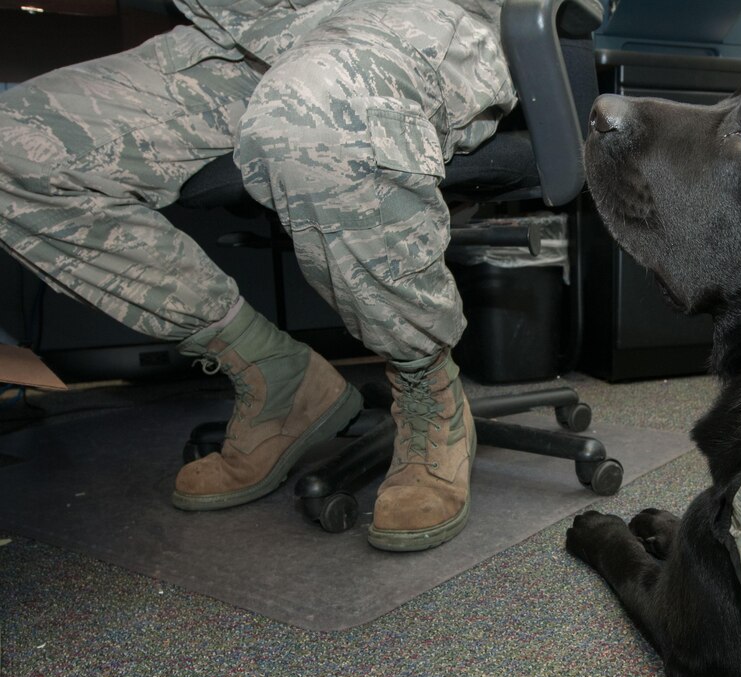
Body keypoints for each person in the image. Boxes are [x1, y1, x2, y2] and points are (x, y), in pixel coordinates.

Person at [0, 0, 515, 552]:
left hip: (400, 19)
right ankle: (271, 372)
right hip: (244, 31)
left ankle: (426, 386)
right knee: (16, 149)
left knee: (314, 113)